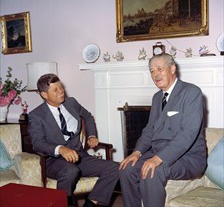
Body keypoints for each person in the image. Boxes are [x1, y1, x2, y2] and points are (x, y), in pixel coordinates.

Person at [119, 53, 207, 207]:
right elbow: (150, 130)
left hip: (188, 158)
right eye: (152, 71)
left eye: (159, 69)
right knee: (126, 168)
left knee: (153, 171)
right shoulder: (157, 97)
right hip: (158, 152)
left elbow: (188, 133)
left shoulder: (191, 92)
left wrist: (158, 158)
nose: (155, 74)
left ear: (172, 69)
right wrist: (136, 153)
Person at [28, 73, 119, 207]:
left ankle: (91, 203)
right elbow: (37, 143)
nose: (61, 91)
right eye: (56, 90)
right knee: (71, 171)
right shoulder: (36, 115)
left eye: (61, 87)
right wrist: (61, 149)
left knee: (115, 167)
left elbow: (87, 116)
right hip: (54, 161)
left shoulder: (71, 103)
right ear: (44, 95)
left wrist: (92, 135)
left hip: (80, 156)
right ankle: (66, 203)